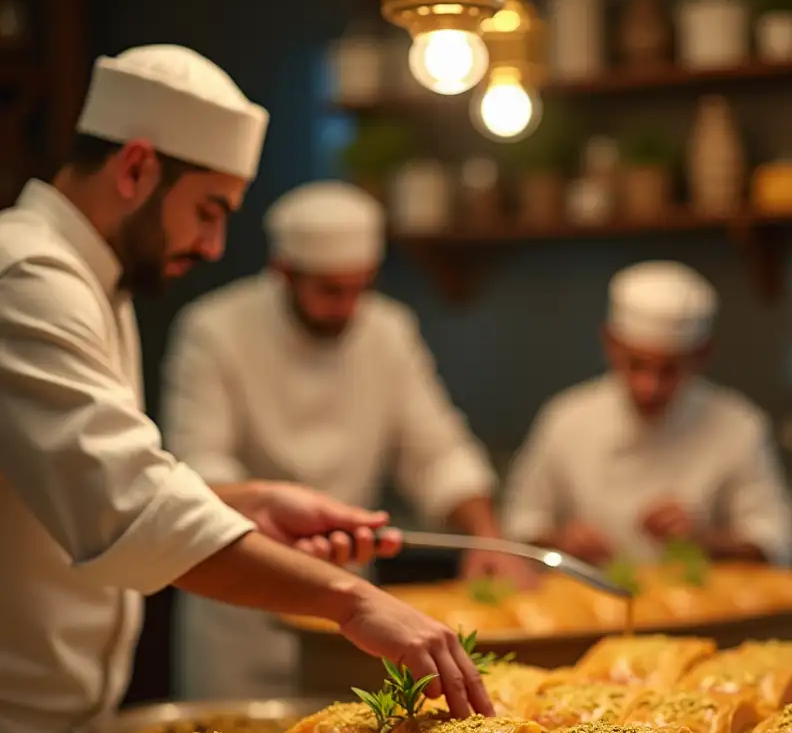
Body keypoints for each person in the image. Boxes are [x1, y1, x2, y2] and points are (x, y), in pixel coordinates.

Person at [0, 45, 490, 733]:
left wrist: (248, 501)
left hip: (52, 731)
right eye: (210, 209)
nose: (217, 245)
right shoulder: (27, 276)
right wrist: (352, 598)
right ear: (135, 169)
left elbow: (85, 486)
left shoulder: (88, 281)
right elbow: (131, 510)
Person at [162, 180, 533, 700]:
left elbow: (437, 450)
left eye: (360, 288)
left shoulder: (388, 330)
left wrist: (486, 536)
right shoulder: (213, 330)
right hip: (239, 612)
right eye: (330, 291)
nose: (347, 307)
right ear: (283, 272)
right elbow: (199, 467)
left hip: (352, 617)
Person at [502, 260, 792, 567]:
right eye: (636, 365)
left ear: (702, 355)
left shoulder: (740, 426)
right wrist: (561, 543)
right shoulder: (565, 420)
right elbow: (519, 526)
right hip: (587, 604)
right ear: (609, 344)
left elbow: (775, 543)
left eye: (669, 370)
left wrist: (705, 541)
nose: (649, 387)